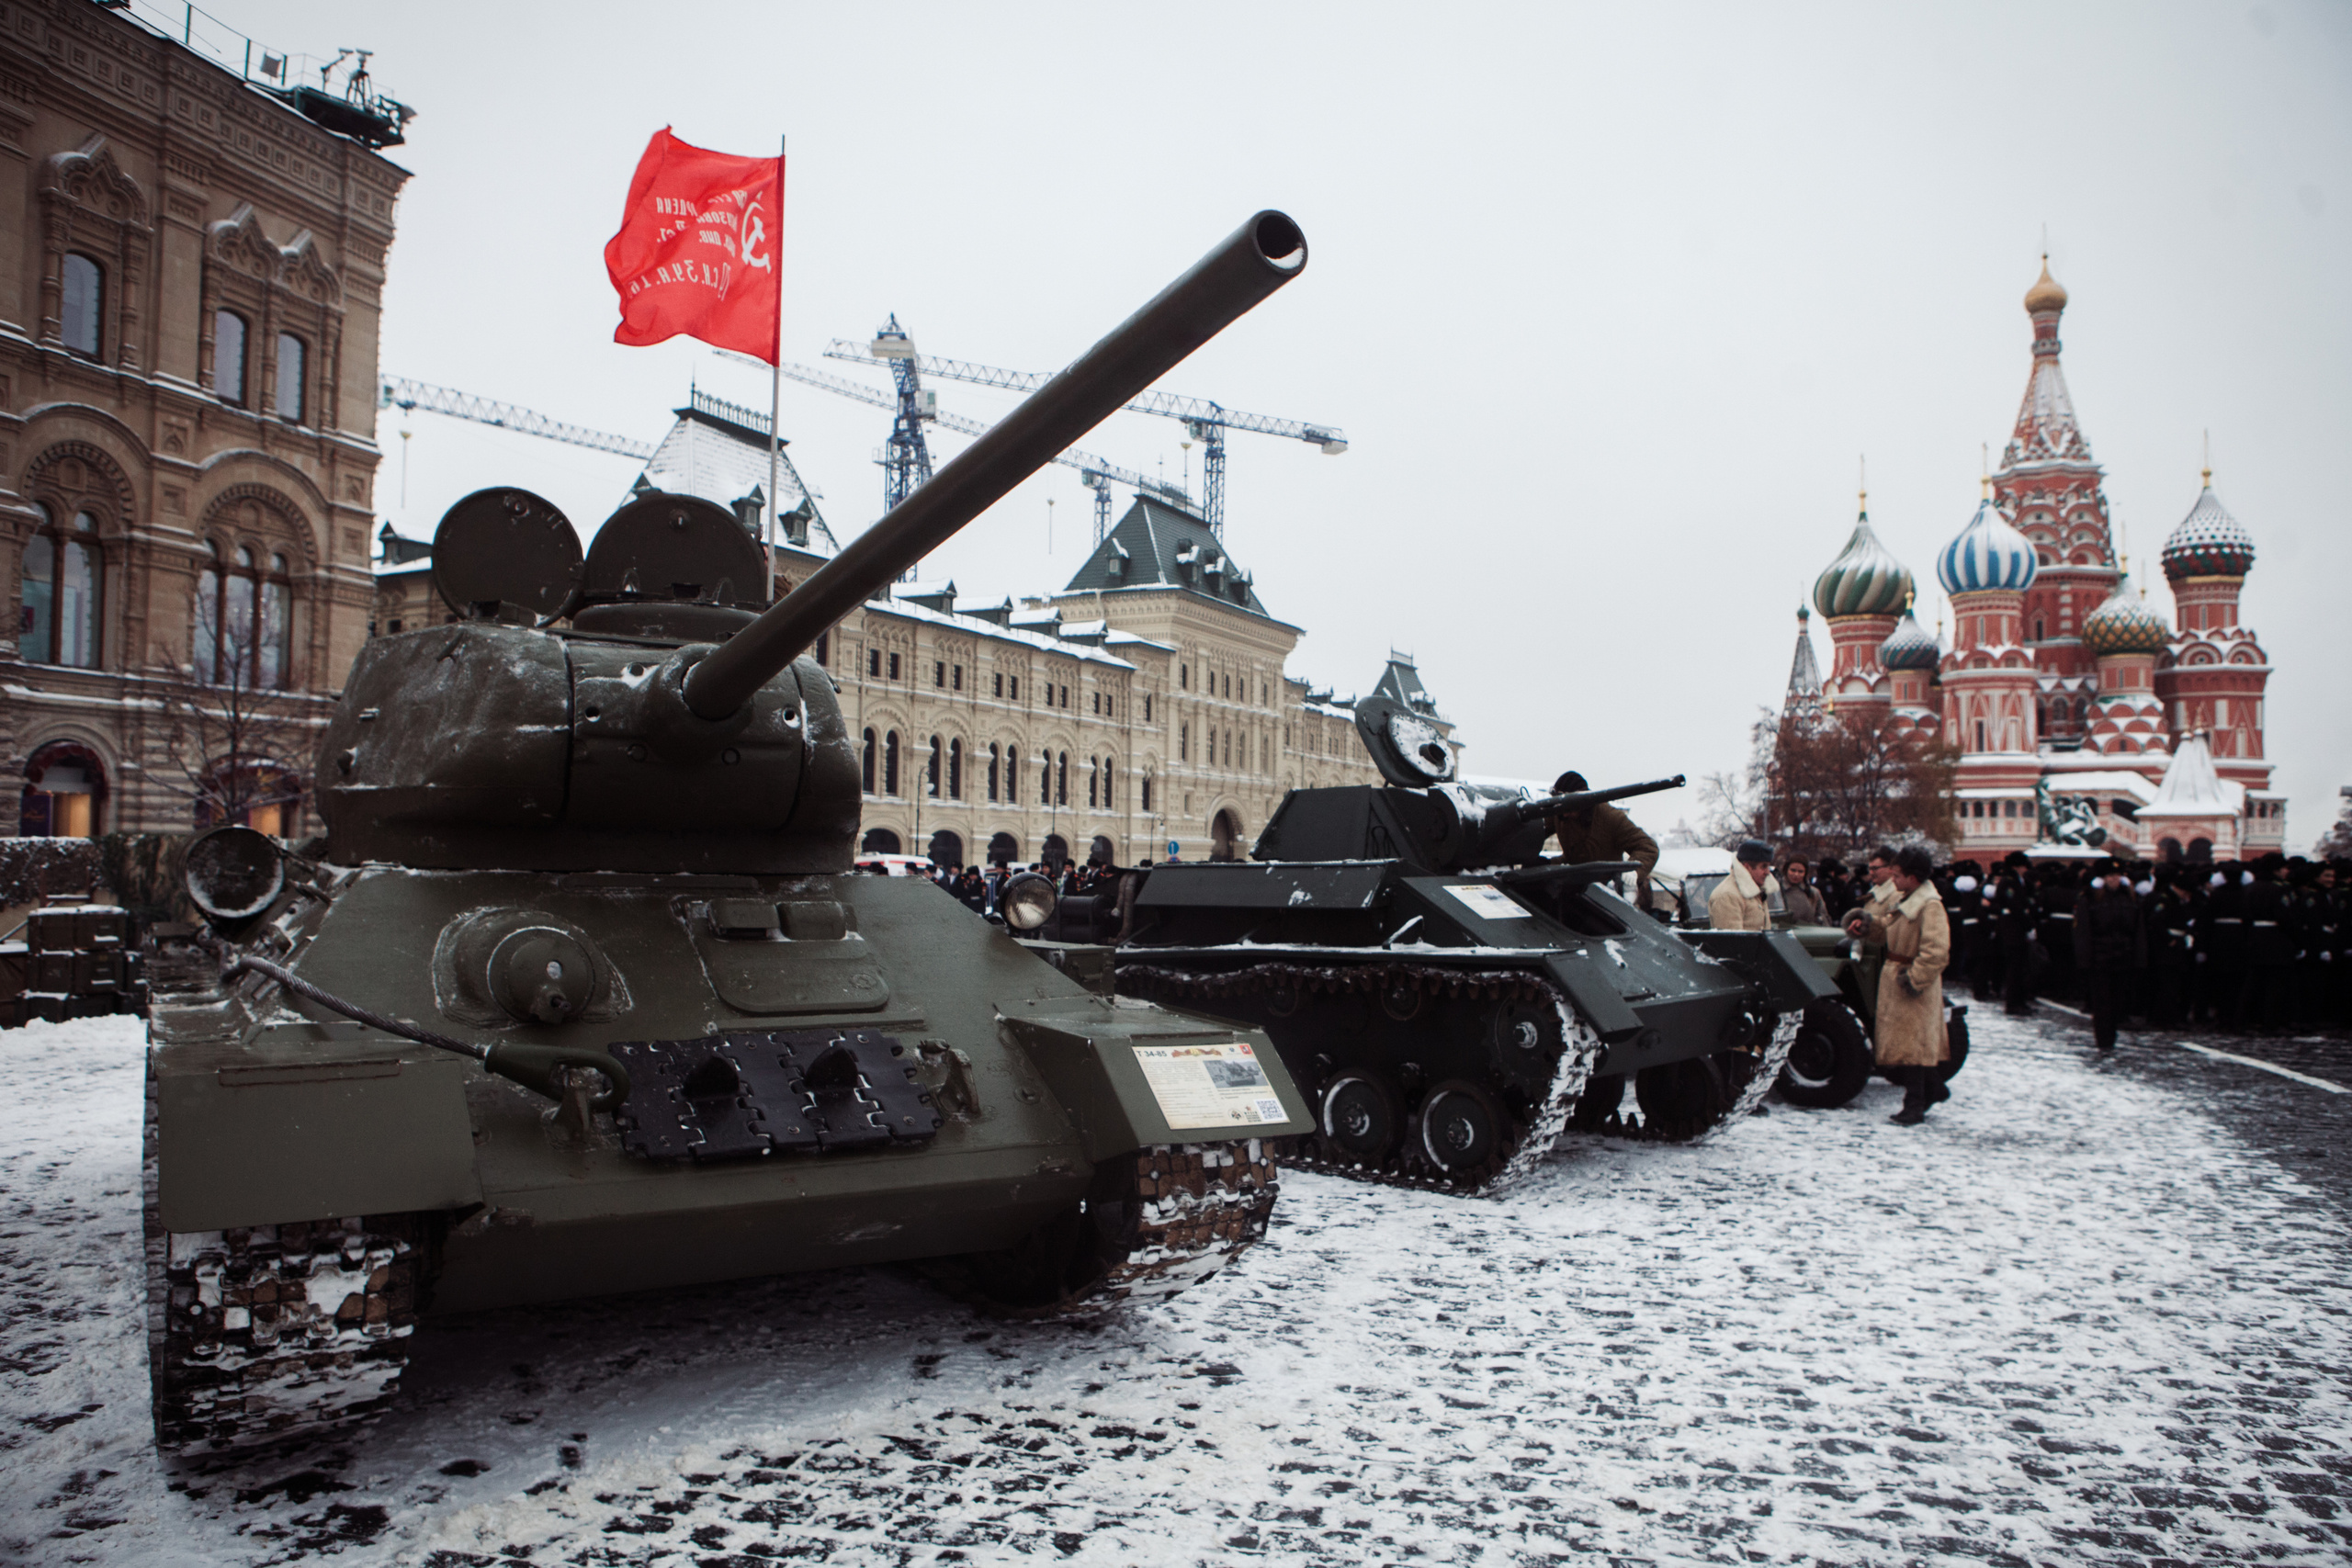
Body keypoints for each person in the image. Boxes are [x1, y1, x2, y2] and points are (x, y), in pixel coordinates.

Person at [1846, 844, 1951, 1125]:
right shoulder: (1909, 899)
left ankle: (1915, 1103)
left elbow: (1937, 950)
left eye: (1898, 875)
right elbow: (1891, 928)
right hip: (1899, 978)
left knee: (1913, 1047)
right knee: (1907, 1043)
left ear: (1913, 877)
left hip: (1911, 984)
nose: (1893, 880)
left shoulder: (1929, 905)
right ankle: (1935, 1090)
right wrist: (1868, 925)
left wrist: (1915, 979)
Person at [1547, 770, 1659, 910]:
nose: (1565, 814)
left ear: (1583, 803)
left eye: (1570, 808)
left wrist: (1634, 871)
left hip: (1605, 895)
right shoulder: (1560, 814)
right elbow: (1539, 829)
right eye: (1562, 808)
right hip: (1572, 888)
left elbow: (1648, 847)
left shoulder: (1610, 818)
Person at [2073, 863, 2145, 1051]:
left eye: (2117, 876)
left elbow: (2138, 930)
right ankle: (2104, 1040)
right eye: (2110, 876)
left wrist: (2139, 957)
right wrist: (2085, 960)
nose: (2114, 879)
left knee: (2118, 1001)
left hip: (2123, 955)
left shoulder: (2129, 898)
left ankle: (2111, 1035)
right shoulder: (2090, 898)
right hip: (2099, 957)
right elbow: (2084, 931)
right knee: (2102, 1002)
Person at [1709, 840, 1776, 931]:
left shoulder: (1756, 890)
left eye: (1768, 866)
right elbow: (1732, 941)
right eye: (1763, 867)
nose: (1768, 872)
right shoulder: (1727, 895)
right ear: (1747, 867)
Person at [1780, 856, 1828, 925]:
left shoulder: (1813, 893)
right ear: (1786, 870)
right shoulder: (1776, 891)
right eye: (1793, 870)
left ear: (1805, 873)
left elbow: (1823, 918)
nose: (1796, 874)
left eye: (1800, 871)